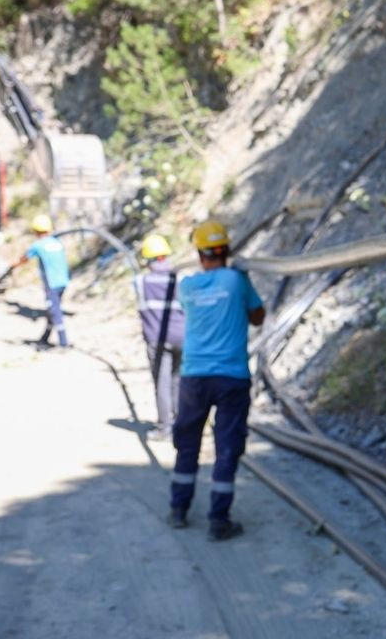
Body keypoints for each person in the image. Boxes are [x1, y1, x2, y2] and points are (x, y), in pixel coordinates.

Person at [167, 220, 265, 541]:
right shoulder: (238, 281)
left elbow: (190, 310)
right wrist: (241, 282)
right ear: (227, 249)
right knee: (226, 449)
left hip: (194, 376)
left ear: (199, 254)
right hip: (231, 377)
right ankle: (218, 520)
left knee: (187, 444)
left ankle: (179, 510)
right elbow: (258, 317)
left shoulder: (188, 286)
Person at [134, 234, 185, 443]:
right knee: (178, 381)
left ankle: (165, 428)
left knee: (162, 383)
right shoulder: (180, 279)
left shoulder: (140, 282)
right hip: (182, 337)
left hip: (157, 339)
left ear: (147, 259)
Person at [10, 214, 71, 348]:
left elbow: (24, 258)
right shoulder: (57, 243)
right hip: (63, 281)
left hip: (52, 283)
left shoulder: (38, 245)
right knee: (52, 310)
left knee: (55, 311)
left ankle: (63, 342)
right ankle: (45, 337)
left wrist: (15, 264)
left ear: (35, 231)